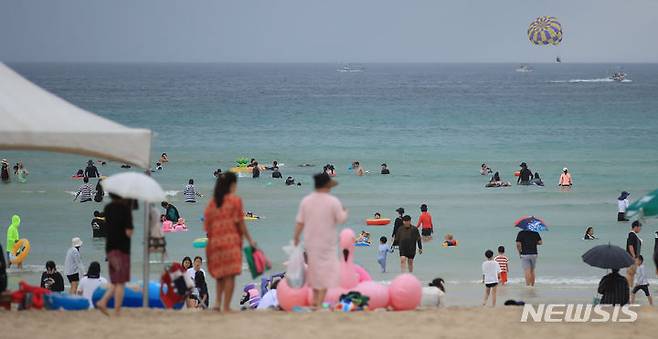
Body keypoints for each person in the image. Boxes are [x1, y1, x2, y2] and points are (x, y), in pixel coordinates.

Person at [293, 172, 348, 308]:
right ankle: (319, 302)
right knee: (327, 272)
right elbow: (341, 219)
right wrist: (345, 211)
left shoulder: (306, 201)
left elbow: (300, 222)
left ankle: (315, 301)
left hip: (311, 242)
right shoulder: (333, 201)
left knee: (314, 271)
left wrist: (296, 237)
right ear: (327, 186)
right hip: (328, 243)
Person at [204, 172, 257, 312]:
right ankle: (226, 307)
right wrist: (250, 240)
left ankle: (217, 303)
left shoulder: (212, 202)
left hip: (215, 242)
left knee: (220, 274)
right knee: (230, 275)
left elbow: (207, 225)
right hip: (231, 242)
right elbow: (240, 223)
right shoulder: (235, 200)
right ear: (232, 185)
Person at [96, 193, 135, 316]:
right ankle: (116, 310)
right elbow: (129, 232)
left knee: (115, 280)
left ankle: (103, 301)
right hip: (122, 249)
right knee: (121, 282)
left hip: (110, 249)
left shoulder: (107, 208)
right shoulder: (125, 210)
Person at [626, 220, 642, 287]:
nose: (640, 229)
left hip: (633, 257)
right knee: (630, 273)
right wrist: (634, 256)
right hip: (632, 257)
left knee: (632, 273)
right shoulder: (631, 234)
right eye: (639, 227)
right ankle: (629, 287)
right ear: (635, 227)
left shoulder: (633, 235)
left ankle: (630, 286)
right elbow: (630, 245)